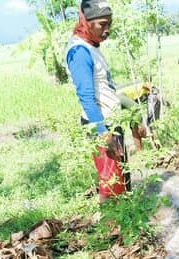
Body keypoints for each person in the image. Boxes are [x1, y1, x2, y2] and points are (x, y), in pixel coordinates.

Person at [65, 0, 146, 202]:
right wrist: (103, 133)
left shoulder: (91, 46)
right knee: (111, 186)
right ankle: (112, 231)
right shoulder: (79, 52)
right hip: (101, 125)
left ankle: (125, 231)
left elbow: (106, 89)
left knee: (121, 182)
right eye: (102, 24)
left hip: (110, 123)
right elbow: (86, 97)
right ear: (85, 21)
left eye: (109, 24)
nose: (107, 30)